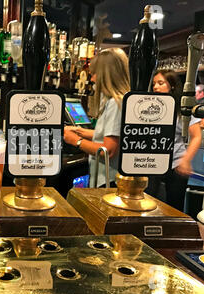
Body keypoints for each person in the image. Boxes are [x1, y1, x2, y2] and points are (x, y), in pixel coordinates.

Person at [64, 48, 130, 188]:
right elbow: (111, 135)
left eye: (94, 74)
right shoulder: (118, 100)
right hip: (108, 177)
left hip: (109, 179)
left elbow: (109, 150)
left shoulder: (116, 103)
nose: (92, 78)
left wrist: (76, 141)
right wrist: (79, 130)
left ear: (105, 75)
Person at [145, 70, 202, 211]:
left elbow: (196, 136)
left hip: (176, 163)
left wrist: (186, 160)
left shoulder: (182, 109)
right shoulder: (148, 107)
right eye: (154, 84)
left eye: (160, 83)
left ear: (172, 86)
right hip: (153, 163)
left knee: (174, 207)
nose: (156, 87)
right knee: (149, 203)